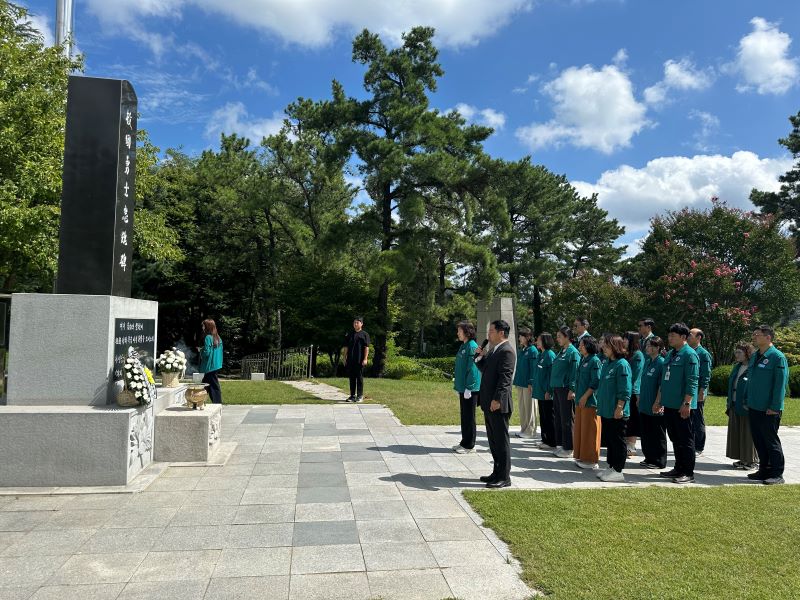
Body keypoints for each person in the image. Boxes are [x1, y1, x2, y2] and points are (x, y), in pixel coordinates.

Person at [653, 323, 698, 484]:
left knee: (685, 440)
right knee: (675, 438)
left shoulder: (689, 355)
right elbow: (664, 381)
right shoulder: (671, 354)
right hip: (669, 404)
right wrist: (659, 400)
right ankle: (678, 468)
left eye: (673, 335)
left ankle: (687, 472)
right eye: (669, 335)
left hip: (682, 406)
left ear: (683, 337)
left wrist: (687, 403)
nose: (670, 338)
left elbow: (692, 381)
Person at [474, 320, 516, 488]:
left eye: (491, 331)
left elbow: (505, 379)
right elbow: (485, 370)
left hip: (498, 404)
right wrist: (479, 357)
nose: (488, 335)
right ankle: (496, 472)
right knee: (493, 441)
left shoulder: (507, 352)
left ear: (501, 333)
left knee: (501, 440)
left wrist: (497, 399)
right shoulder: (494, 350)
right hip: (488, 402)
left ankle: (504, 477)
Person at [745, 325, 789, 485]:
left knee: (770, 440)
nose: (754, 337)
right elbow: (751, 381)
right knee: (758, 439)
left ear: (768, 337)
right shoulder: (756, 355)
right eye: (754, 334)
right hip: (754, 405)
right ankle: (764, 469)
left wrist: (775, 406)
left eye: (757, 335)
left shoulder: (777, 357)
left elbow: (780, 385)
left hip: (769, 408)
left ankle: (777, 473)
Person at [595, 334, 632, 482]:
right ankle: (610, 466)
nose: (604, 347)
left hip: (617, 410)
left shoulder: (622, 364)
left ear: (615, 347)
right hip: (606, 410)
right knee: (610, 440)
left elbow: (625, 389)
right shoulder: (607, 363)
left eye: (607, 345)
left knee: (618, 440)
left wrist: (620, 407)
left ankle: (618, 470)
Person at [726, 343, 758, 470]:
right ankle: (742, 458)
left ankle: (752, 461)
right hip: (734, 404)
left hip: (746, 406)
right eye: (736, 352)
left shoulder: (753, 368)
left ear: (747, 353)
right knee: (737, 432)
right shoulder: (737, 367)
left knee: (748, 433)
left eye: (739, 352)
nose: (736, 354)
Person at [550, 326, 580, 458]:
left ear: (567, 337)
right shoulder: (562, 351)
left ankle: (569, 447)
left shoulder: (573, 352)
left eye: (559, 337)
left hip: (565, 389)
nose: (557, 339)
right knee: (559, 418)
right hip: (557, 388)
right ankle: (562, 444)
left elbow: (575, 371)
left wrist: (572, 389)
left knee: (567, 419)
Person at [452, 321, 482, 454]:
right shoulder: (464, 346)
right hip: (463, 387)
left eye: (459, 331)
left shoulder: (472, 346)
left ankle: (470, 445)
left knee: (469, 417)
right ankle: (464, 442)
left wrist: (469, 387)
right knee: (464, 416)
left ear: (467, 332)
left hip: (470, 389)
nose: (458, 333)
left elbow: (473, 369)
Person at [638, 337, 667, 469]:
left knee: (657, 434)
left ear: (657, 348)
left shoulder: (661, 363)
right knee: (646, 433)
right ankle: (649, 457)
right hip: (644, 404)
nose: (647, 348)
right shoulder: (648, 361)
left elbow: (662, 386)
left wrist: (658, 402)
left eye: (649, 346)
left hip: (654, 405)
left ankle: (659, 460)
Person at [573, 336, 602, 469]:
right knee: (581, 429)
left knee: (590, 430)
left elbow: (595, 381)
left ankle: (591, 459)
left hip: (590, 401)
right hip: (580, 400)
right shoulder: (584, 359)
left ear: (589, 346)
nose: (579, 347)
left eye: (582, 345)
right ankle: (582, 456)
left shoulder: (595, 361)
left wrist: (585, 397)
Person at [688, 328, 713, 455]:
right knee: (690, 418)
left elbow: (706, 374)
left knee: (697, 418)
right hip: (689, 391)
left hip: (698, 391)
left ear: (699, 338)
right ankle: (692, 443)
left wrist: (702, 391)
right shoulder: (688, 351)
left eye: (690, 335)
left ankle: (699, 446)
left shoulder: (703, 354)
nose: (687, 336)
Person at [532, 333, 557, 450]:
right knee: (543, 416)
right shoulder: (541, 354)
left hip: (546, 392)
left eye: (539, 340)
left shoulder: (550, 355)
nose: (537, 342)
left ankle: (551, 441)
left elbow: (552, 375)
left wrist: (549, 390)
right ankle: (545, 439)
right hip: (540, 392)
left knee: (549, 417)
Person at [513, 327, 539, 439]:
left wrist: (531, 382)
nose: (519, 338)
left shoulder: (533, 350)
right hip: (520, 382)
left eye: (521, 336)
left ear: (528, 337)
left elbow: (534, 368)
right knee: (523, 407)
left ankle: (531, 431)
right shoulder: (523, 350)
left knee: (530, 408)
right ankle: (524, 429)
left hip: (528, 384)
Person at [623, 331, 645, 457]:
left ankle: (631, 445)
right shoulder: (626, 354)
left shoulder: (638, 355)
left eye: (626, 339)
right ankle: (626, 443)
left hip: (633, 391)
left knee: (632, 419)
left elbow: (635, 375)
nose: (624, 341)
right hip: (626, 390)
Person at [343, 317, 370, 402]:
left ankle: (360, 396)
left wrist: (365, 359)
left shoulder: (365, 334)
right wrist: (344, 357)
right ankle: (352, 396)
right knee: (352, 378)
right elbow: (346, 347)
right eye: (354, 322)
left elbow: (366, 348)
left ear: (361, 324)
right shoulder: (349, 334)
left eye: (357, 322)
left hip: (360, 360)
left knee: (359, 377)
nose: (355, 324)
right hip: (350, 360)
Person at [200, 319, 223, 404]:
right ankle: (200, 401)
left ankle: (217, 404)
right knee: (205, 384)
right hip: (216, 364)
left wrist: (201, 351)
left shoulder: (208, 337)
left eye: (203, 326)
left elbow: (207, 352)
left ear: (207, 327)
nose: (202, 327)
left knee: (213, 386)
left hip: (210, 366)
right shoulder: (218, 337)